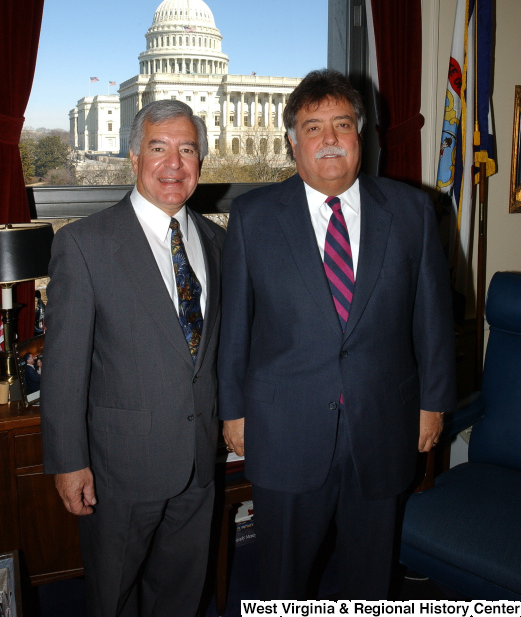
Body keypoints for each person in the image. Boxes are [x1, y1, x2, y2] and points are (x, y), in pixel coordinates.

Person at [218, 69, 456, 600]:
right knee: (283, 580)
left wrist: (434, 403)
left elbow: (432, 319)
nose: (328, 139)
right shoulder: (253, 217)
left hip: (384, 425)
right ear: (291, 143)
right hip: (284, 431)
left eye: (341, 124)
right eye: (312, 127)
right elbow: (234, 325)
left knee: (370, 581)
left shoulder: (413, 211)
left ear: (361, 136)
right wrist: (233, 413)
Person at [41, 100, 226, 617]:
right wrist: (68, 462)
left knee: (181, 596)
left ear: (201, 162)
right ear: (132, 155)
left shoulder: (216, 242)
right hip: (118, 472)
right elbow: (64, 369)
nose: (174, 164)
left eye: (187, 150)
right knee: (114, 598)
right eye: (158, 147)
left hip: (198, 463)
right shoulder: (84, 244)